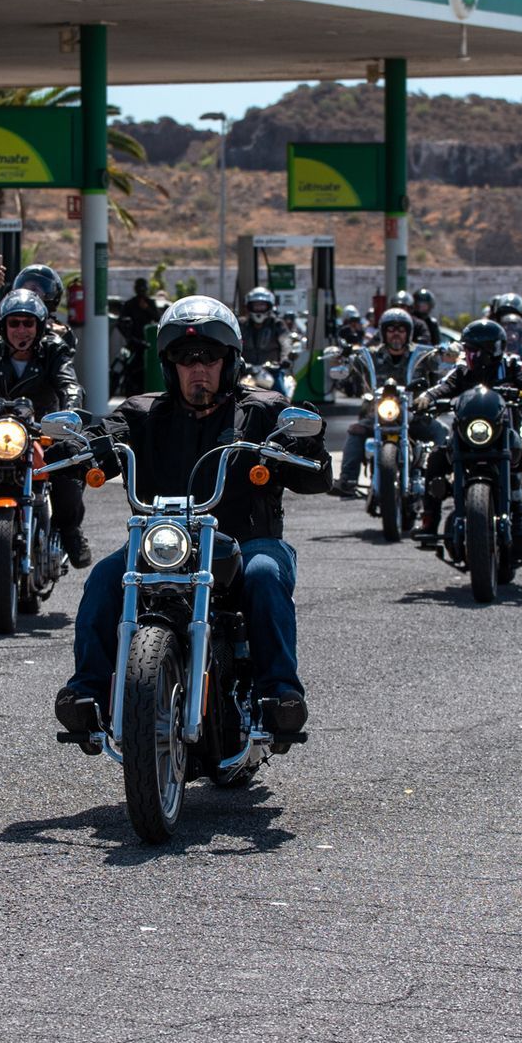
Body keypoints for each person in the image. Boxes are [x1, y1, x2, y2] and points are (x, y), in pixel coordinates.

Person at [53, 296, 330, 742]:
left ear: (230, 361)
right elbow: (107, 430)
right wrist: (79, 443)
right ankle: (88, 692)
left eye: (210, 356)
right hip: (163, 542)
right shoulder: (144, 413)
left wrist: (306, 448)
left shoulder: (262, 409)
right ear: (170, 365)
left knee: (264, 576)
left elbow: (315, 474)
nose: (198, 367)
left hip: (247, 540)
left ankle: (279, 695)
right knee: (104, 578)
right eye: (185, 358)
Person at [0, 289, 89, 568]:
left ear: (39, 325)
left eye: (28, 323)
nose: (21, 330)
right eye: (14, 323)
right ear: (3, 326)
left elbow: (69, 385)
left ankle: (71, 532)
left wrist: (69, 415)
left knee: (67, 477)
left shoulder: (55, 350)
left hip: (42, 429)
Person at [414, 319, 522, 533]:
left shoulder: (511, 366)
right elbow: (444, 386)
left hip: (506, 435)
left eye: (473, 349)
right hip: (467, 437)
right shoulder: (462, 370)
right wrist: (426, 397)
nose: (469, 353)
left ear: (490, 349)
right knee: (436, 457)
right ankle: (429, 520)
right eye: (467, 348)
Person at [332, 308, 444, 496]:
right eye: (391, 329)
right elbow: (351, 363)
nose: (396, 334)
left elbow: (438, 362)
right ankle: (348, 481)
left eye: (401, 329)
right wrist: (342, 354)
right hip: (379, 414)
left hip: (413, 414)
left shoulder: (420, 354)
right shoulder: (371, 355)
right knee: (355, 431)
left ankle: (441, 480)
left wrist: (447, 353)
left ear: (408, 333)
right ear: (383, 333)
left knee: (442, 432)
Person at [239, 286, 290, 390]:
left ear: (269, 306)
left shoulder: (277, 324)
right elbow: (233, 342)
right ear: (249, 306)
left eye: (262, 305)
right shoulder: (241, 324)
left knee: (281, 395)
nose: (259, 308)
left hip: (271, 371)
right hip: (245, 371)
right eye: (256, 305)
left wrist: (285, 358)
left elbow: (286, 342)